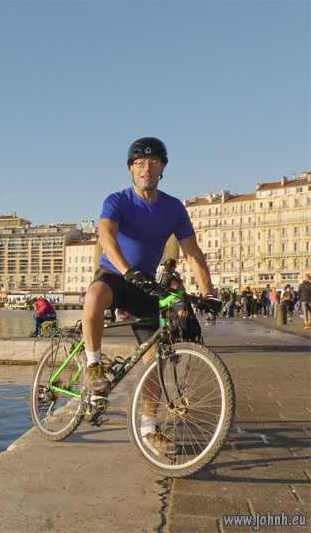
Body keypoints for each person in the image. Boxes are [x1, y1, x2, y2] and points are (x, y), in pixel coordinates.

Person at [81, 137, 219, 456]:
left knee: (155, 358)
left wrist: (208, 292)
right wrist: (127, 270)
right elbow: (105, 234)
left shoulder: (173, 207)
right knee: (94, 294)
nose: (147, 167)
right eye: (140, 163)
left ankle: (148, 426)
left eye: (154, 162)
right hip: (116, 274)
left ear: (162, 169)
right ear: (131, 169)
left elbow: (192, 251)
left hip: (146, 284)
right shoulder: (117, 200)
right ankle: (93, 364)